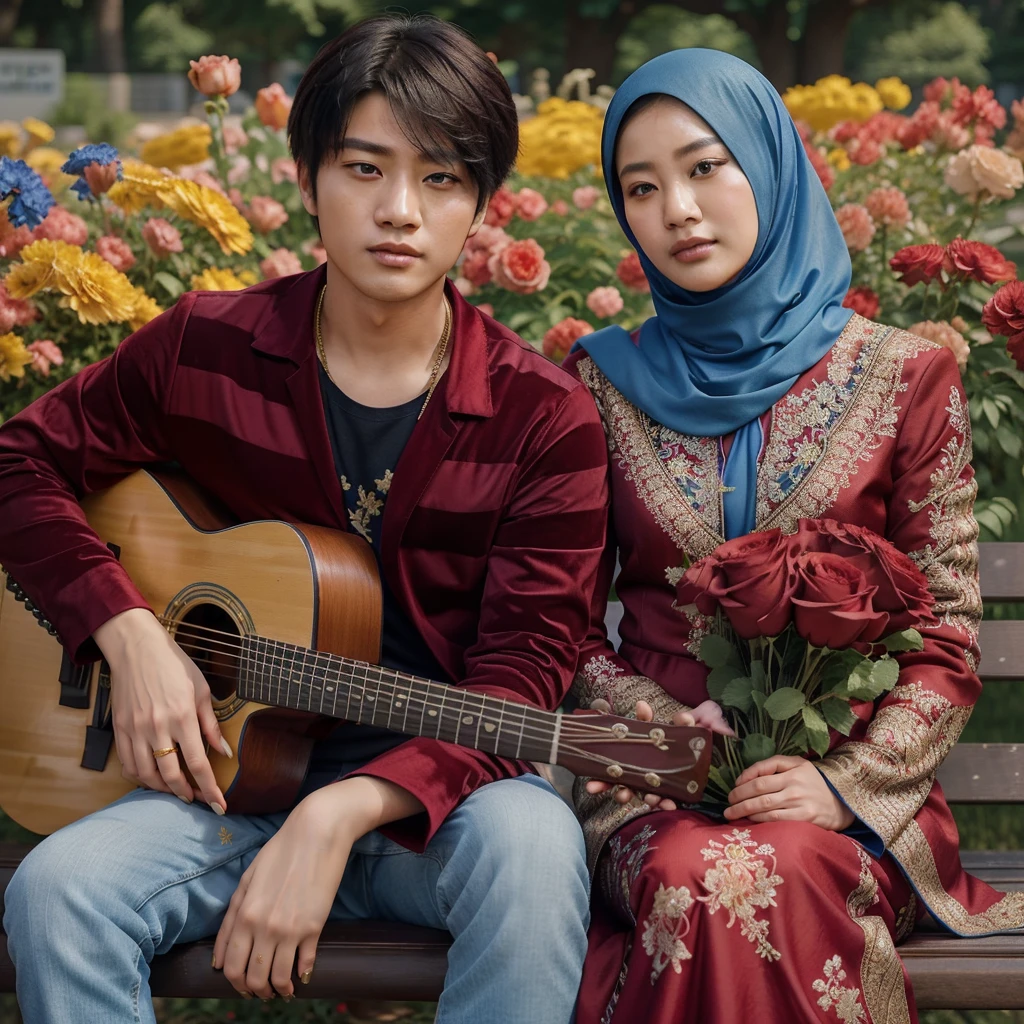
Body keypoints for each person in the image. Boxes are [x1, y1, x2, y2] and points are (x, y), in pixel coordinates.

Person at [0, 15, 610, 1023]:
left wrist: (339, 812)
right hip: (217, 791)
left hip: (435, 808)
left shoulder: (542, 418)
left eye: (441, 179)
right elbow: (19, 462)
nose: (400, 211)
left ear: (482, 207)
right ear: (307, 179)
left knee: (536, 847)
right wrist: (128, 630)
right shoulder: (204, 347)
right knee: (59, 891)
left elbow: (523, 681)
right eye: (364, 169)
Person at [563, 48, 1024, 1024]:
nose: (677, 210)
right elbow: (562, 627)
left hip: (856, 796)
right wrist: (667, 740)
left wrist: (840, 782)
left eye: (703, 166)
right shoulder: (595, 384)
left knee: (754, 872)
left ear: (768, 163)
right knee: (692, 870)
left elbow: (944, 631)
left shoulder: (904, 378)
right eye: (639, 188)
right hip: (651, 784)